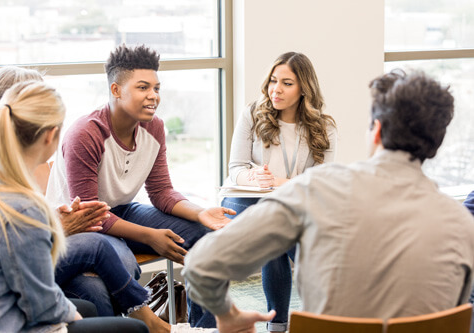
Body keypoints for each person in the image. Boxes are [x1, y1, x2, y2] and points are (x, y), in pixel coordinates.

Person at [183, 69, 474, 332]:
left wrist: (229, 314)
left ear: (377, 131)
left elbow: (200, 266)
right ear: (435, 146)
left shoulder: (315, 189)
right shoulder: (463, 224)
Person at [46, 44, 235, 328]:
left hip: (121, 211)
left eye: (157, 88)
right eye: (143, 87)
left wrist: (200, 213)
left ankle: (205, 326)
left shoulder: (154, 127)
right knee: (122, 265)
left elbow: (161, 191)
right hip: (80, 226)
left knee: (205, 237)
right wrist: (149, 236)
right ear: (116, 89)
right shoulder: (85, 134)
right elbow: (91, 215)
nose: (153, 96)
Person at [0, 80, 148, 333]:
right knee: (133, 330)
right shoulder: (22, 206)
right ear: (50, 135)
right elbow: (40, 305)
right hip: (7, 323)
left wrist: (49, 224)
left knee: (89, 305)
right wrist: (73, 318)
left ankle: (142, 314)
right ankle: (147, 320)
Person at [221, 51, 336, 332]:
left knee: (279, 232)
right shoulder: (252, 113)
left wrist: (283, 184)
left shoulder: (324, 126)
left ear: (304, 89)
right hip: (248, 200)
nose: (276, 89)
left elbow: (320, 181)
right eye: (273, 80)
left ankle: (282, 325)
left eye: (287, 83)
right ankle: (295, 322)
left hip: (292, 202)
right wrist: (252, 176)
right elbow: (235, 168)